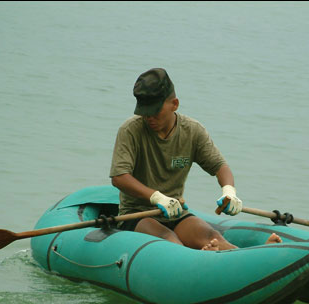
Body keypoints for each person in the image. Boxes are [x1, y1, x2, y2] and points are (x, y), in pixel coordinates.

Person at [109, 68, 281, 250]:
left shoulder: (192, 131)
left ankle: (251, 256)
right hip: (138, 215)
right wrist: (157, 197)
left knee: (212, 237)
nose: (149, 117)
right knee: (168, 239)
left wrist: (229, 192)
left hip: (175, 213)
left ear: (174, 104)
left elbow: (220, 166)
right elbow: (119, 177)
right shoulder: (130, 130)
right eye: (145, 111)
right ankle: (203, 259)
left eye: (155, 111)